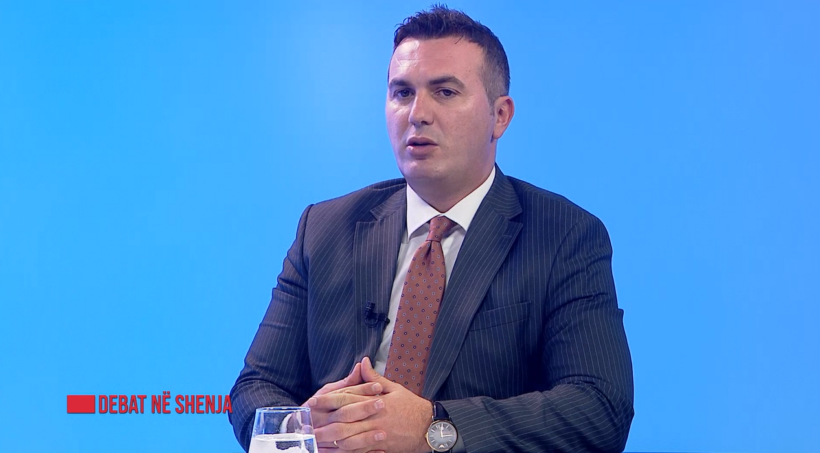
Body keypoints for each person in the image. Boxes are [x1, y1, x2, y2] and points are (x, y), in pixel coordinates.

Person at [229, 6, 633, 453]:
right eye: (402, 93)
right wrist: (301, 427)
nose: (417, 113)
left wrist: (433, 428)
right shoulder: (324, 229)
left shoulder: (564, 236)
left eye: (444, 92)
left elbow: (600, 410)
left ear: (500, 116)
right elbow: (254, 388)